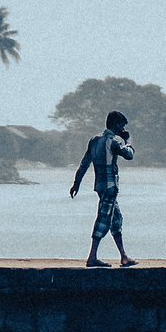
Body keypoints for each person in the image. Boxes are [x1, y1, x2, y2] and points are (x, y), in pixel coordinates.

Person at [69, 109, 137, 267]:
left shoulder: (94, 140)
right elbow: (129, 155)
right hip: (110, 186)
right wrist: (128, 140)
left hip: (100, 186)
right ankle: (92, 257)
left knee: (116, 220)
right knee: (103, 220)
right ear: (116, 125)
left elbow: (84, 163)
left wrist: (76, 183)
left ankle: (124, 256)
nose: (123, 129)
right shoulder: (113, 142)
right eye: (122, 125)